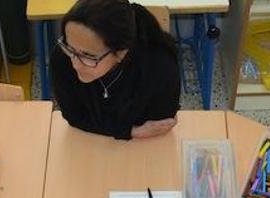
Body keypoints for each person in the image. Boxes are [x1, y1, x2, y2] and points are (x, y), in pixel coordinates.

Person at [50, 0, 180, 140]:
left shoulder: (160, 66)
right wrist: (130, 131)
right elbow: (73, 116)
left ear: (121, 53)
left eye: (88, 56)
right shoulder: (63, 56)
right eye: (70, 47)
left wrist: (112, 128)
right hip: (89, 143)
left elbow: (159, 124)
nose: (75, 64)